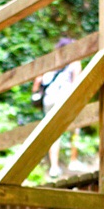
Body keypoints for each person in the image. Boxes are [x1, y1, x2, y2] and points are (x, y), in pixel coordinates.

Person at [32, 37, 83, 178]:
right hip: (64, 98)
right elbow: (77, 82)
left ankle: (54, 167)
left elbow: (37, 82)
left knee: (54, 133)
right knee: (75, 128)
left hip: (49, 99)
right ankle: (73, 160)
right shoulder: (74, 62)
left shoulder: (50, 62)